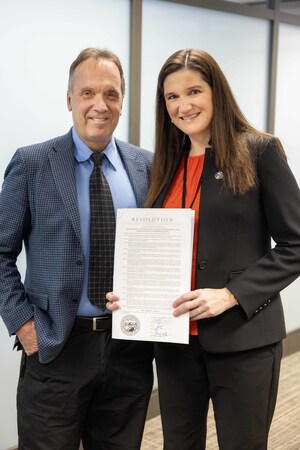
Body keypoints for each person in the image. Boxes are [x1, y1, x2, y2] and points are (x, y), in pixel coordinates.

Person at [107, 49, 300, 450]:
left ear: (217, 92)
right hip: (175, 341)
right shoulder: (165, 163)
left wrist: (231, 295)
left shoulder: (260, 151)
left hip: (243, 339)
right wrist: (132, 294)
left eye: (193, 91)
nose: (183, 105)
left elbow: (295, 244)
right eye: (172, 97)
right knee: (179, 443)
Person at [0, 47, 153, 450]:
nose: (99, 105)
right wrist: (24, 325)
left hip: (129, 350)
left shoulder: (147, 167)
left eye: (111, 94)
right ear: (69, 99)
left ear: (122, 101)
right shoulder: (32, 163)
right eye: (87, 93)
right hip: (56, 346)